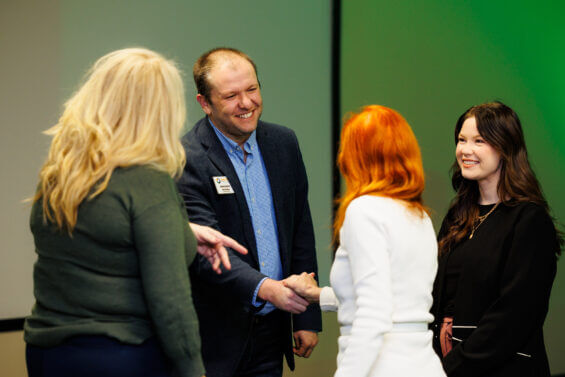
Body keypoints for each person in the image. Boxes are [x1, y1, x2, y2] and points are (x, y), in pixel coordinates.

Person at [24, 47, 247, 377]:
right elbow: (170, 303)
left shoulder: (63, 172)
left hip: (47, 353)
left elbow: (99, 240)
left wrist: (180, 232)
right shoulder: (147, 182)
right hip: (119, 356)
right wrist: (193, 369)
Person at [176, 47, 322, 377]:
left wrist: (306, 315)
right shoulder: (186, 157)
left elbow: (300, 229)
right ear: (205, 103)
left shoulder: (283, 143)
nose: (246, 103)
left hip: (274, 329)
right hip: (217, 337)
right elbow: (208, 254)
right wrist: (268, 289)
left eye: (252, 89)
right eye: (231, 96)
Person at [284, 105, 446, 376]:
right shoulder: (417, 214)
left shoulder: (364, 210)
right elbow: (396, 297)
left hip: (383, 366)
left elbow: (374, 313)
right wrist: (317, 295)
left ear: (356, 157)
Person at [430, 101, 561, 377]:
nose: (465, 150)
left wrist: (449, 368)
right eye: (461, 140)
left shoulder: (529, 220)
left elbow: (514, 316)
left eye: (479, 141)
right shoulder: (458, 215)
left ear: (505, 146)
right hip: (449, 365)